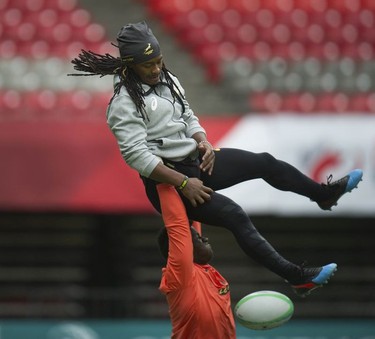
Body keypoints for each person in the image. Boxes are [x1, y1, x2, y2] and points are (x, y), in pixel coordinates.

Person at [70, 21, 363, 297]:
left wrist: (203, 142)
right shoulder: (123, 103)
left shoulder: (167, 78)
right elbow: (137, 157)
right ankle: (297, 276)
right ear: (130, 65)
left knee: (264, 162)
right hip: (169, 181)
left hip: (195, 160)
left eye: (159, 61)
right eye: (148, 65)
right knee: (236, 216)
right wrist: (185, 183)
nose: (157, 68)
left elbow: (187, 116)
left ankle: (323, 195)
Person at [157, 183, 236, 338]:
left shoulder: (203, 269)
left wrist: (190, 171)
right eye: (199, 238)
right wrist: (162, 180)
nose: (205, 238)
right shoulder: (182, 275)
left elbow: (193, 218)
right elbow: (177, 225)